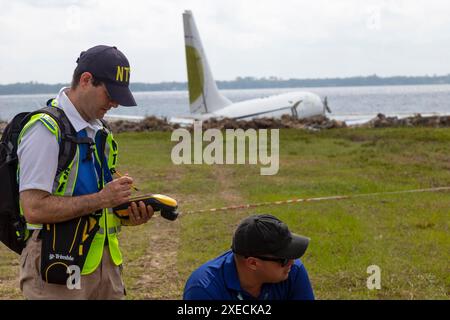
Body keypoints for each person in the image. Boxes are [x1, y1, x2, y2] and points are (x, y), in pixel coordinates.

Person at [17, 45, 154, 299]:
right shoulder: (45, 130)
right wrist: (104, 198)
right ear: (86, 80)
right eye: (110, 94)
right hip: (57, 268)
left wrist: (127, 213)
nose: (114, 103)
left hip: (105, 268)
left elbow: (101, 206)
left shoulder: (100, 131)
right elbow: (33, 208)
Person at [183, 214, 315, 300]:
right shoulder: (203, 290)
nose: (292, 261)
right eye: (284, 258)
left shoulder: (293, 270)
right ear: (252, 263)